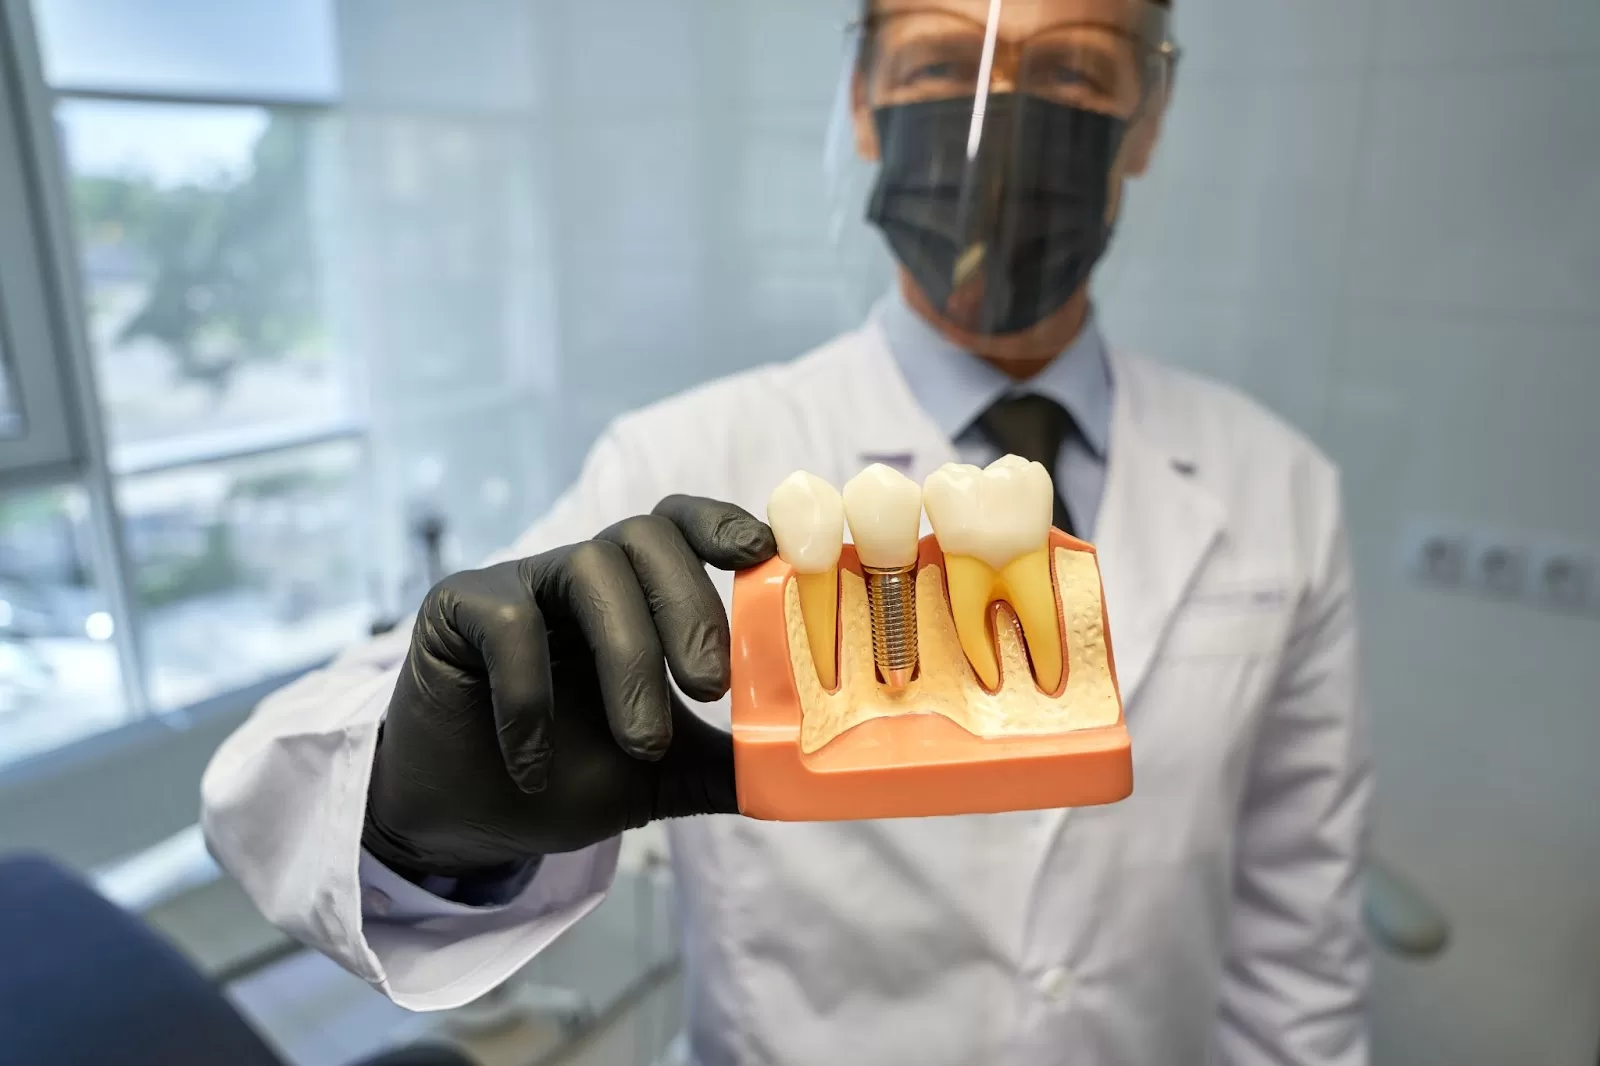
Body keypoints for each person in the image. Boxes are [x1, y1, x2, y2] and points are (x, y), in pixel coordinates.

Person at [202, 0, 1371, 1062]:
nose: (996, 123)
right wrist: (420, 810)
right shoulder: (683, 457)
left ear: (1146, 118)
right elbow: (280, 770)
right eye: (940, 61)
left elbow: (1297, 940)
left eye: (1072, 70)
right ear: (862, 104)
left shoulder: (1280, 486)